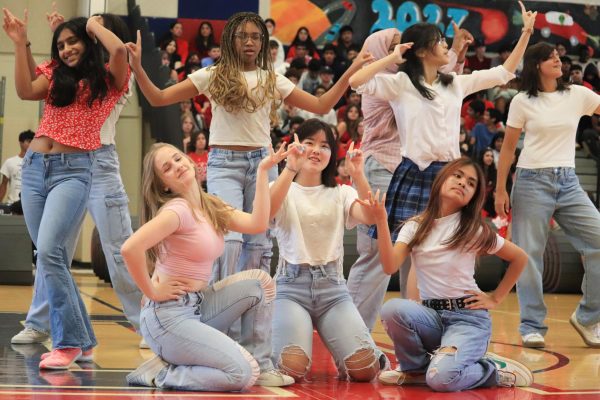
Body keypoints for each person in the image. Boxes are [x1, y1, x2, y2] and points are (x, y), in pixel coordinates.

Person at [125, 11, 372, 282]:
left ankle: (255, 318)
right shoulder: (212, 75)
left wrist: (352, 68)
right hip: (224, 163)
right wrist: (137, 67)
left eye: (256, 36)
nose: (249, 42)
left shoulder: (272, 78)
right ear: (231, 39)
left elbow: (322, 105)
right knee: (229, 241)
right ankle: (222, 313)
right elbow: (159, 98)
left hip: (263, 165)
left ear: (263, 43)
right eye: (242, 36)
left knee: (259, 244)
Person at [348, 2, 535, 257]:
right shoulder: (401, 83)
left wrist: (525, 33)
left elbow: (504, 73)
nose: (446, 45)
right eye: (440, 41)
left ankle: (425, 298)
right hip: (414, 171)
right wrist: (394, 56)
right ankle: (409, 299)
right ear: (423, 51)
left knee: (438, 252)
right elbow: (356, 81)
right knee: (404, 250)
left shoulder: (456, 83)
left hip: (449, 174)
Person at [2, 8, 130, 369]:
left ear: (88, 42)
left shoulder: (109, 79)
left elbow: (119, 51)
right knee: (48, 256)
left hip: (74, 172)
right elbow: (26, 90)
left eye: (72, 42)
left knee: (49, 251)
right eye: (60, 44)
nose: (66, 49)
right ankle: (84, 337)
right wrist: (20, 44)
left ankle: (69, 341)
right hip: (34, 170)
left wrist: (89, 24)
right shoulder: (56, 73)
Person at [122, 143, 295, 389]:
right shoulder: (177, 211)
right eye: (167, 168)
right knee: (243, 373)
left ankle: (261, 362)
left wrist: (263, 171)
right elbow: (130, 249)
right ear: (164, 185)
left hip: (199, 307)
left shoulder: (209, 205)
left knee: (261, 283)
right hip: (168, 317)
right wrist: (151, 291)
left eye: (178, 158)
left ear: (190, 161)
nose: (177, 166)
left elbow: (257, 223)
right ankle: (162, 375)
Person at [360, 158, 531, 391]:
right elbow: (390, 266)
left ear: (473, 196)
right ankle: (415, 369)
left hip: (467, 319)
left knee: (441, 379)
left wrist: (495, 297)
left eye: (471, 183)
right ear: (441, 180)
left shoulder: (473, 229)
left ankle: (494, 371)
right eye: (457, 176)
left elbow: (519, 258)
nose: (462, 183)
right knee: (392, 309)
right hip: (433, 316)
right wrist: (381, 219)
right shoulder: (414, 226)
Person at [345, 26, 469, 329]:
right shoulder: (387, 84)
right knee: (377, 258)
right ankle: (352, 334)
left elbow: (442, 82)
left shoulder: (412, 80)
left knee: (416, 256)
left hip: (413, 174)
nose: (408, 48)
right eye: (400, 45)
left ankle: (415, 330)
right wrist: (450, 54)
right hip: (381, 170)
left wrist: (455, 52)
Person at [495, 42, 600, 349]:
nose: (558, 59)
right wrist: (500, 188)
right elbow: (507, 149)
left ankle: (588, 317)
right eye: (550, 57)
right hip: (530, 182)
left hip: (568, 181)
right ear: (536, 64)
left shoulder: (577, 94)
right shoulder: (522, 101)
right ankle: (531, 325)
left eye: (558, 55)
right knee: (529, 256)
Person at [268, 120, 384, 382]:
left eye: (324, 145)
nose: (316, 150)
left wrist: (358, 174)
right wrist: (289, 169)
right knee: (291, 369)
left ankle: (342, 343)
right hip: (290, 288)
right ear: (296, 146)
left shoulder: (342, 192)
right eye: (309, 143)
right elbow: (267, 212)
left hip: (333, 289)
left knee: (365, 369)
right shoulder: (283, 188)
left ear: (332, 154)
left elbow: (369, 215)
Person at [0, 130, 34, 204]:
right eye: (28, 141)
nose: (31, 144)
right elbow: (3, 184)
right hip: (12, 203)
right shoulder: (10, 162)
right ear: (21, 143)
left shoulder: (38, 163)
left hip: (30, 205)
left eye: (33, 142)